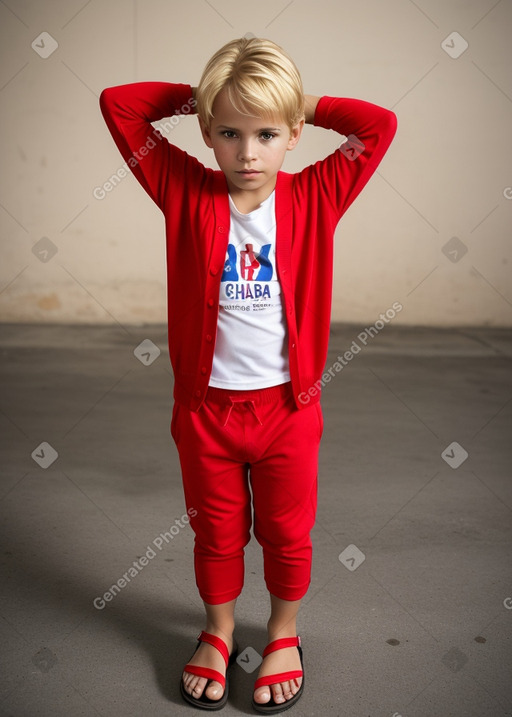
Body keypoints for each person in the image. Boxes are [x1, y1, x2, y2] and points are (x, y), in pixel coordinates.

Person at [100, 36, 397, 713]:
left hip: (287, 411)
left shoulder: (318, 193)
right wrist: (207, 94)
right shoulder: (183, 188)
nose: (247, 152)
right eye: (228, 132)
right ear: (206, 133)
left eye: (266, 132)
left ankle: (285, 634)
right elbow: (118, 106)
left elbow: (379, 124)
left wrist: (299, 99)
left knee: (288, 532)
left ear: (293, 133)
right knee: (216, 531)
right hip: (206, 412)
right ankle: (219, 629)